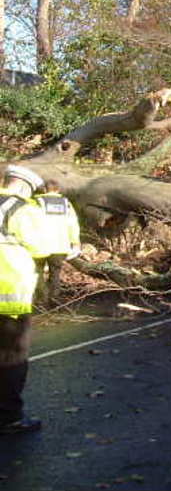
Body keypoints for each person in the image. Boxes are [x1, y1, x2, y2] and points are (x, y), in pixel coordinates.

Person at [0, 165, 53, 434]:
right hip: (8, 300)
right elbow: (42, 245)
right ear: (23, 187)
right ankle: (10, 418)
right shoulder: (21, 208)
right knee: (11, 360)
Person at [34, 179, 81, 308]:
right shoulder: (66, 204)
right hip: (60, 245)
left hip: (39, 245)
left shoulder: (36, 203)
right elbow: (73, 224)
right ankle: (55, 299)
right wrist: (75, 242)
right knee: (55, 273)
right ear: (58, 190)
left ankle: (41, 299)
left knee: (37, 272)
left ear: (44, 189)